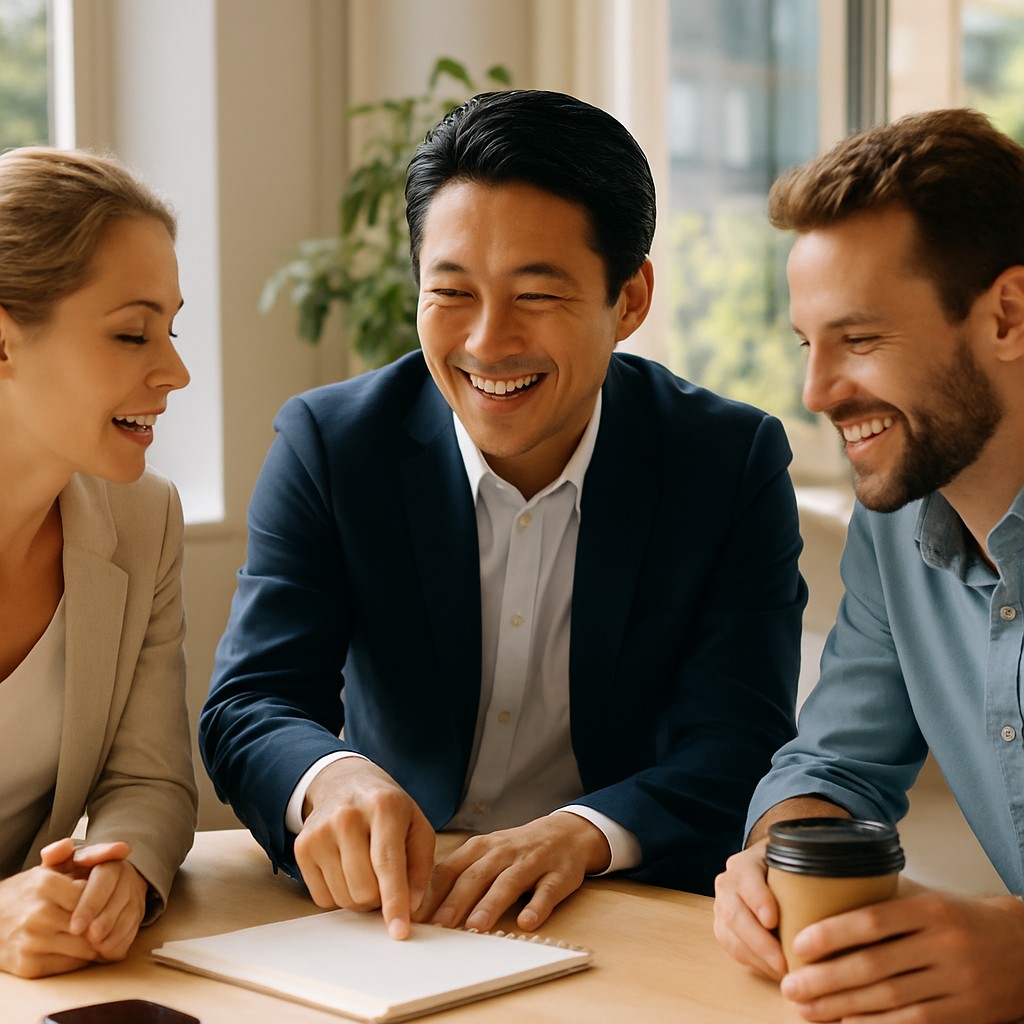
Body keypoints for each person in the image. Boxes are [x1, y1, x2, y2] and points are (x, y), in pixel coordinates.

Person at [201, 89, 805, 943]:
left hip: (618, 898)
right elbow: (251, 701)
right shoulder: (333, 446)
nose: (487, 342)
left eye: (536, 295)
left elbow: (738, 743)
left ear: (629, 300)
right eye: (451, 291)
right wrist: (330, 776)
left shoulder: (727, 462)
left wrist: (581, 835)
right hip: (395, 908)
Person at [713, 107, 1024, 1023]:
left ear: (1008, 315)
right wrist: (781, 855)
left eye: (860, 340)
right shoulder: (895, 530)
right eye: (808, 346)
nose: (814, 394)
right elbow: (839, 768)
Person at [0, 147, 197, 979]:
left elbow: (150, 779)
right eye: (131, 332)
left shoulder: (142, 519)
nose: (176, 371)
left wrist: (124, 869)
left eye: (171, 328)